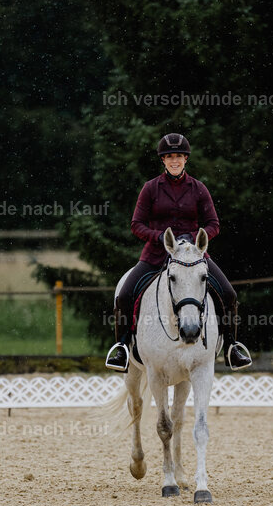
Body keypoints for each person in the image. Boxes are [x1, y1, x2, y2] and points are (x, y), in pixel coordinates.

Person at [105, 132, 252, 372]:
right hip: (155, 255)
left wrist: (193, 240)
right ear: (163, 160)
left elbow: (213, 224)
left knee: (229, 294)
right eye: (170, 157)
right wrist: (159, 237)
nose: (175, 161)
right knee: (124, 295)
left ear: (186, 160)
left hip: (193, 257)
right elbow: (136, 225)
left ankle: (231, 346)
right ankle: (121, 347)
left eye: (179, 157)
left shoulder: (198, 189)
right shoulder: (150, 188)